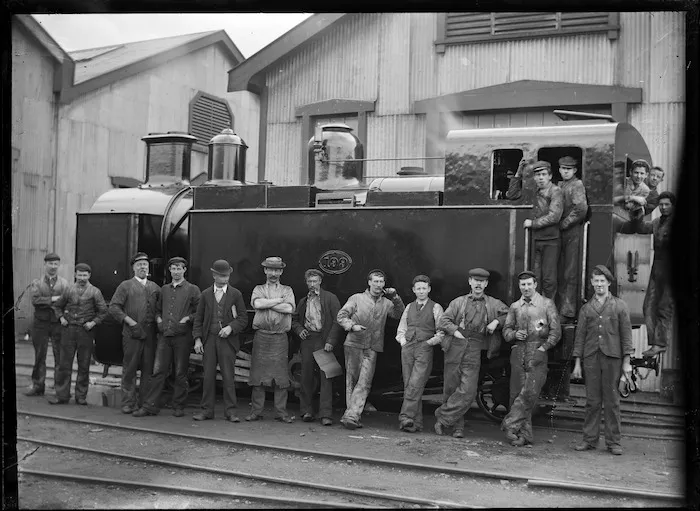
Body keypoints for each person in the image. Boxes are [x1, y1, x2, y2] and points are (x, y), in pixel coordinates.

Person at [433, 268, 509, 438]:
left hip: (475, 347)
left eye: (482, 281)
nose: (478, 284)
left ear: (486, 284)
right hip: (455, 345)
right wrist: (455, 331)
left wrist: (496, 321)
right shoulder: (458, 302)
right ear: (470, 282)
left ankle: (443, 417)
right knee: (451, 388)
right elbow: (443, 321)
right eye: (475, 280)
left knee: (468, 390)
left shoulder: (493, 303)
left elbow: (509, 314)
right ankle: (457, 427)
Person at [572, 265, 633, 456]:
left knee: (612, 401)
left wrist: (627, 362)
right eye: (596, 281)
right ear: (591, 283)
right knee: (592, 401)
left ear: (608, 283)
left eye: (602, 281)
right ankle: (589, 440)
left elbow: (626, 336)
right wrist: (577, 363)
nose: (599, 284)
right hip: (591, 358)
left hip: (613, 359)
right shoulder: (586, 309)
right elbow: (580, 337)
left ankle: (613, 442)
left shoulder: (620, 306)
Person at [132, 257, 202, 418]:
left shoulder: (193, 290)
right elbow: (157, 309)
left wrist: (187, 319)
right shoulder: (164, 289)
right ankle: (150, 406)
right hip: (164, 336)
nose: (176, 271)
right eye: (173, 268)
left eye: (179, 268)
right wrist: (159, 321)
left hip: (182, 337)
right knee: (158, 371)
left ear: (185, 270)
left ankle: (178, 406)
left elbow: (199, 312)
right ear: (170, 270)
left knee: (180, 372)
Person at [337, 269, 405, 430]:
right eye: (375, 281)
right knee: (352, 381)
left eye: (381, 282)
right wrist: (352, 326)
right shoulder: (356, 298)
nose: (378, 285)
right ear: (369, 283)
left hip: (373, 346)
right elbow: (341, 316)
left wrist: (395, 297)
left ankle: (351, 415)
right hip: (354, 343)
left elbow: (399, 314)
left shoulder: (386, 303)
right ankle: (352, 414)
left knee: (365, 382)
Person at [501, 270, 561, 446]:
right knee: (516, 394)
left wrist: (543, 348)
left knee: (528, 394)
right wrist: (514, 334)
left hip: (537, 351)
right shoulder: (515, 307)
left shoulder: (546, 304)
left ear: (535, 285)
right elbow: (506, 332)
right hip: (518, 352)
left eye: (529, 284)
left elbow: (556, 332)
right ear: (519, 286)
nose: (526, 288)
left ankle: (509, 424)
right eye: (522, 285)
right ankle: (524, 435)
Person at [188, 259, 248, 421]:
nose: (226, 279)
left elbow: (243, 318)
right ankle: (207, 411)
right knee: (208, 376)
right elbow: (198, 319)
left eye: (227, 275)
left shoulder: (236, 294)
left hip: (227, 342)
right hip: (209, 341)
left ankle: (231, 412)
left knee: (228, 377)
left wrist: (230, 328)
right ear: (214, 275)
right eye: (222, 276)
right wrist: (198, 339)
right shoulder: (206, 294)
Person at [48, 263, 108, 405]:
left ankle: (81, 396)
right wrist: (61, 318)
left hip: (85, 332)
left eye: (85, 275)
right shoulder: (69, 289)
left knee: (84, 365)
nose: (82, 278)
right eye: (79, 275)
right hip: (68, 331)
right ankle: (62, 395)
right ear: (75, 275)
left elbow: (103, 311)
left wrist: (93, 323)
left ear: (89, 276)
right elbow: (57, 306)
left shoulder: (95, 292)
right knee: (64, 364)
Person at [109, 252, 161, 414]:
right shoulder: (125, 286)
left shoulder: (155, 288)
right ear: (133, 268)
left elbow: (161, 309)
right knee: (130, 368)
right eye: (139, 265)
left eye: (145, 264)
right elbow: (114, 307)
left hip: (150, 334)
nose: (142, 267)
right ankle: (128, 402)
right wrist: (130, 321)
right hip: (131, 333)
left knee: (148, 369)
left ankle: (145, 403)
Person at [247, 257, 296, 423]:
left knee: (281, 378)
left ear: (281, 271)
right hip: (261, 336)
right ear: (265, 271)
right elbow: (257, 304)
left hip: (280, 338)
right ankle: (256, 411)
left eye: (277, 270)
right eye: (270, 269)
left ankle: (281, 412)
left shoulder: (288, 289)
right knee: (258, 376)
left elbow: (289, 308)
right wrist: (278, 301)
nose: (273, 273)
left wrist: (267, 303)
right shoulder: (258, 288)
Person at [291, 268, 342, 426]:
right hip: (308, 340)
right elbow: (294, 320)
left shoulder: (330, 298)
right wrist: (299, 330)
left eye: (315, 281)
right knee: (305, 375)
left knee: (326, 376)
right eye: (310, 281)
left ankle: (325, 414)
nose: (312, 284)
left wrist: (331, 341)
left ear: (320, 281)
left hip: (323, 339)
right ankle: (306, 410)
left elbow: (338, 320)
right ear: (306, 283)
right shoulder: (303, 301)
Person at [395, 275, 445, 433]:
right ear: (414, 290)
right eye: (418, 289)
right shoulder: (409, 307)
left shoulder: (436, 307)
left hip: (424, 348)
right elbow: (401, 328)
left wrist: (430, 342)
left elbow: (442, 331)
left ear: (429, 289)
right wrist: (403, 341)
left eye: (424, 288)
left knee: (415, 384)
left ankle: (405, 417)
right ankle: (416, 423)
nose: (421, 291)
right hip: (408, 348)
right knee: (409, 384)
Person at [508, 160, 564, 299]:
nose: (540, 177)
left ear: (550, 176)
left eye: (543, 174)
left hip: (551, 240)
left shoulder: (556, 191)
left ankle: (549, 309)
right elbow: (512, 194)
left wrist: (532, 223)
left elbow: (554, 216)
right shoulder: (535, 191)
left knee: (549, 279)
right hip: (536, 239)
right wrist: (519, 173)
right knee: (535, 278)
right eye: (537, 175)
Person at [634, 192, 676, 357]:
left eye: (667, 204)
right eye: (661, 205)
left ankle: (660, 343)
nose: (664, 207)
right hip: (657, 269)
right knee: (648, 307)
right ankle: (655, 343)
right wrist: (638, 212)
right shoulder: (658, 222)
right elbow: (643, 228)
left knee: (664, 308)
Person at [25, 252, 70, 397]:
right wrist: (54, 299)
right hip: (40, 323)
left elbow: (66, 302)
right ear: (45, 265)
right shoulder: (36, 283)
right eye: (50, 263)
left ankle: (59, 389)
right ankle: (38, 385)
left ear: (59, 265)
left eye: (56, 264)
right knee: (40, 356)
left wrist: (48, 301)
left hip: (58, 323)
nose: (53, 266)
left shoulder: (64, 283)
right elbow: (35, 301)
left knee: (60, 356)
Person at [557, 156, 589, 323]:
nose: (565, 171)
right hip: (561, 232)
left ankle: (568, 311)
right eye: (563, 168)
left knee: (569, 272)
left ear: (575, 170)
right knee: (561, 270)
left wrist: (565, 223)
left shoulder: (576, 185)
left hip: (571, 232)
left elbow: (581, 208)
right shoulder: (561, 185)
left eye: (569, 169)